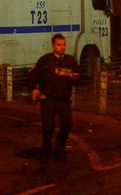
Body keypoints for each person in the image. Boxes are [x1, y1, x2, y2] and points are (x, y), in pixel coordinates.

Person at [29, 33, 80, 162]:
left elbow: (79, 78)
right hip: (48, 99)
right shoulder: (45, 60)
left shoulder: (71, 61)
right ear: (53, 45)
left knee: (67, 124)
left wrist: (76, 78)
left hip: (64, 100)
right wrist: (34, 89)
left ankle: (59, 149)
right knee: (48, 127)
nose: (62, 47)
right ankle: (46, 151)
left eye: (64, 44)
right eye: (59, 44)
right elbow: (32, 76)